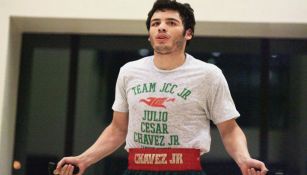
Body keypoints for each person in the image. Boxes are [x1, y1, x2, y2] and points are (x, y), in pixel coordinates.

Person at [55, 0, 269, 175]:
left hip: (186, 169)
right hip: (137, 167)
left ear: (188, 33)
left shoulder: (208, 75)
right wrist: (83, 159)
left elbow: (229, 129)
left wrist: (244, 160)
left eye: (171, 22)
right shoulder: (129, 72)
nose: (161, 27)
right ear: (149, 34)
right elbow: (118, 129)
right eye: (155, 23)